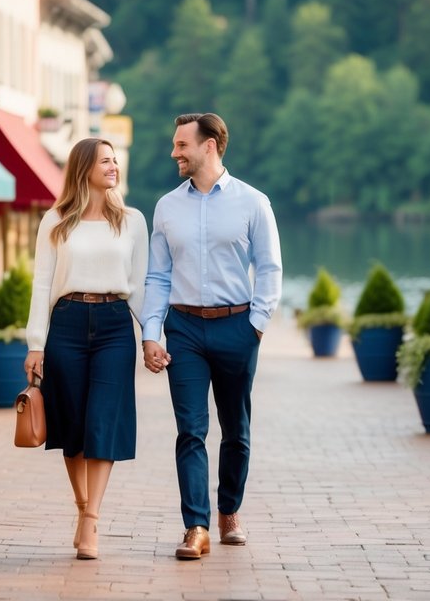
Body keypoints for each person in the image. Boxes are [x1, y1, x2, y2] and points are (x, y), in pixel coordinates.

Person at [141, 112, 282, 560]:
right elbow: (157, 277)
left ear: (209, 146)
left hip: (237, 326)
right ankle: (196, 527)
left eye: (181, 144)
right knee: (191, 430)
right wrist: (150, 333)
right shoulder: (166, 207)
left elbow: (270, 268)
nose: (174, 153)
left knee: (236, 431)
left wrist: (255, 326)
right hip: (183, 330)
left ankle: (229, 512)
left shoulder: (253, 202)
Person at [24, 138, 148, 560]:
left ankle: (91, 519)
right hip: (67, 324)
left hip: (115, 325)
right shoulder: (55, 221)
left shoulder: (132, 221)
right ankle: (81, 506)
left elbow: (140, 287)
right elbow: (42, 284)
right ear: (84, 169)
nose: (114, 167)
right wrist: (35, 343)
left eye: (115, 161)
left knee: (101, 424)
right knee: (72, 426)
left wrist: (153, 336)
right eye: (105, 161)